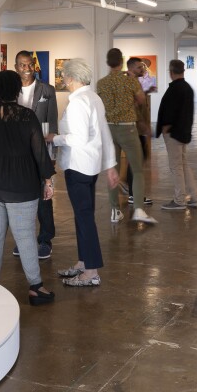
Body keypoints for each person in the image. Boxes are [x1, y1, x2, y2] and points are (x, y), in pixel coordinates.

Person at [0, 70, 56, 306]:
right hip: (21, 187)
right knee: (25, 234)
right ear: (16, 90)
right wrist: (48, 181)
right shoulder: (26, 116)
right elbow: (40, 152)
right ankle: (36, 287)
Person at [44, 59, 119, 287]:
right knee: (82, 216)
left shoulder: (78, 103)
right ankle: (83, 262)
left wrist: (53, 138)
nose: (63, 80)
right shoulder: (93, 98)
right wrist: (110, 165)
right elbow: (104, 133)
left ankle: (91, 271)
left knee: (84, 218)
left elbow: (77, 138)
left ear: (71, 78)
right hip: (90, 166)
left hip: (78, 166)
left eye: (64, 76)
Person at [96, 48, 157, 224]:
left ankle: (115, 210)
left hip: (109, 130)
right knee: (137, 170)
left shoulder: (101, 83)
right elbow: (140, 101)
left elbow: (100, 106)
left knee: (112, 170)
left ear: (108, 63)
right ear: (121, 62)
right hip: (128, 129)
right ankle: (138, 208)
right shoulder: (130, 82)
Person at [12, 50, 59, 260]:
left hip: (40, 149)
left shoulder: (47, 90)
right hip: (17, 151)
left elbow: (53, 123)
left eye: (30, 64)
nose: (27, 68)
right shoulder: (11, 90)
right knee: (21, 197)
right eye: (22, 65)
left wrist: (52, 156)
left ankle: (45, 239)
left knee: (44, 197)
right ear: (16, 67)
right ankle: (24, 240)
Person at [157, 59, 197, 210]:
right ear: (183, 71)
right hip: (183, 132)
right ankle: (194, 196)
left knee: (176, 166)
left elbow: (170, 111)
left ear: (171, 72)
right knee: (183, 164)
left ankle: (180, 199)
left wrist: (166, 126)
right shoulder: (187, 88)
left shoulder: (175, 89)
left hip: (174, 134)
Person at [124, 57, 152, 206]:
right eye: (139, 67)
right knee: (136, 162)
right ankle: (134, 195)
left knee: (139, 160)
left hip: (138, 129)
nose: (142, 70)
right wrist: (143, 125)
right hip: (134, 129)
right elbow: (134, 109)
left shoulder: (136, 84)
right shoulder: (130, 85)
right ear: (131, 69)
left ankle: (131, 191)